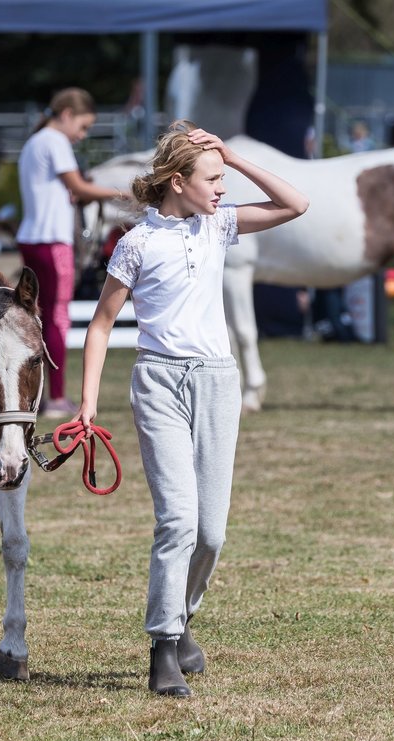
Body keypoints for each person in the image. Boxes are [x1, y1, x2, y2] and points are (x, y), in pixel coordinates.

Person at [77, 121, 308, 697]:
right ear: (177, 182)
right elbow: (102, 325)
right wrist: (86, 405)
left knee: (212, 534)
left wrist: (231, 155)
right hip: (158, 383)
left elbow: (295, 203)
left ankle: (182, 620)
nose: (222, 188)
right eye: (213, 178)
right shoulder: (135, 243)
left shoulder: (218, 226)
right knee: (177, 521)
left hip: (217, 383)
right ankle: (162, 645)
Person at [17, 87, 127, 419]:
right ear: (66, 114)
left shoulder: (35, 142)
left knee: (39, 316)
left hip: (33, 238)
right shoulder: (54, 141)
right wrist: (123, 194)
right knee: (57, 317)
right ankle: (56, 397)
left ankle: (40, 394)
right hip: (52, 241)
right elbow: (78, 188)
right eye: (82, 126)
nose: (82, 135)